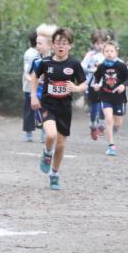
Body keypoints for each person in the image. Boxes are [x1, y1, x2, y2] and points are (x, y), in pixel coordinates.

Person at [29, 28, 87, 190]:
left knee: (61, 146)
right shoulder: (46, 62)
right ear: (52, 45)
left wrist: (75, 88)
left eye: (65, 43)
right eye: (58, 43)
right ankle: (47, 153)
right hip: (48, 105)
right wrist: (34, 96)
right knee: (51, 134)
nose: (61, 46)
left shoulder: (74, 64)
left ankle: (54, 174)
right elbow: (34, 76)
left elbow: (83, 84)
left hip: (65, 108)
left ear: (70, 46)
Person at [91, 42, 128, 156]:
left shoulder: (121, 65)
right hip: (106, 95)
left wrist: (123, 85)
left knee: (117, 123)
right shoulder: (102, 66)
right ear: (103, 53)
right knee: (109, 119)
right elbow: (97, 77)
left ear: (116, 53)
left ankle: (111, 132)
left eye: (111, 51)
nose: (109, 53)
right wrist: (96, 85)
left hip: (118, 97)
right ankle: (111, 145)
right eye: (106, 51)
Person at [80, 29, 108, 141]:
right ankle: (93, 123)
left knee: (104, 105)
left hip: (106, 84)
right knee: (94, 107)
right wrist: (92, 69)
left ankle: (101, 123)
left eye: (102, 43)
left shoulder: (108, 54)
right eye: (97, 43)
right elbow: (82, 66)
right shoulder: (90, 55)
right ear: (93, 43)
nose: (100, 45)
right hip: (93, 84)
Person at [21, 30, 39, 141]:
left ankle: (44, 132)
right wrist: (32, 80)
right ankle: (28, 132)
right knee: (29, 109)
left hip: (43, 87)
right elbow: (26, 72)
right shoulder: (30, 53)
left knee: (44, 109)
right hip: (29, 88)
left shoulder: (46, 52)